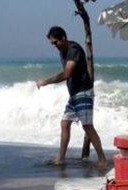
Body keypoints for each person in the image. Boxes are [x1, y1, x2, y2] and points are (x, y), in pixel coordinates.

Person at [35, 26, 106, 167]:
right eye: (52, 44)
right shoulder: (63, 51)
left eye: (56, 42)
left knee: (87, 126)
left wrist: (46, 82)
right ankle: (60, 158)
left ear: (63, 38)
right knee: (65, 123)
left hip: (83, 92)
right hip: (74, 94)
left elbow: (66, 74)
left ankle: (102, 159)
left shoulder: (74, 50)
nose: (55, 46)